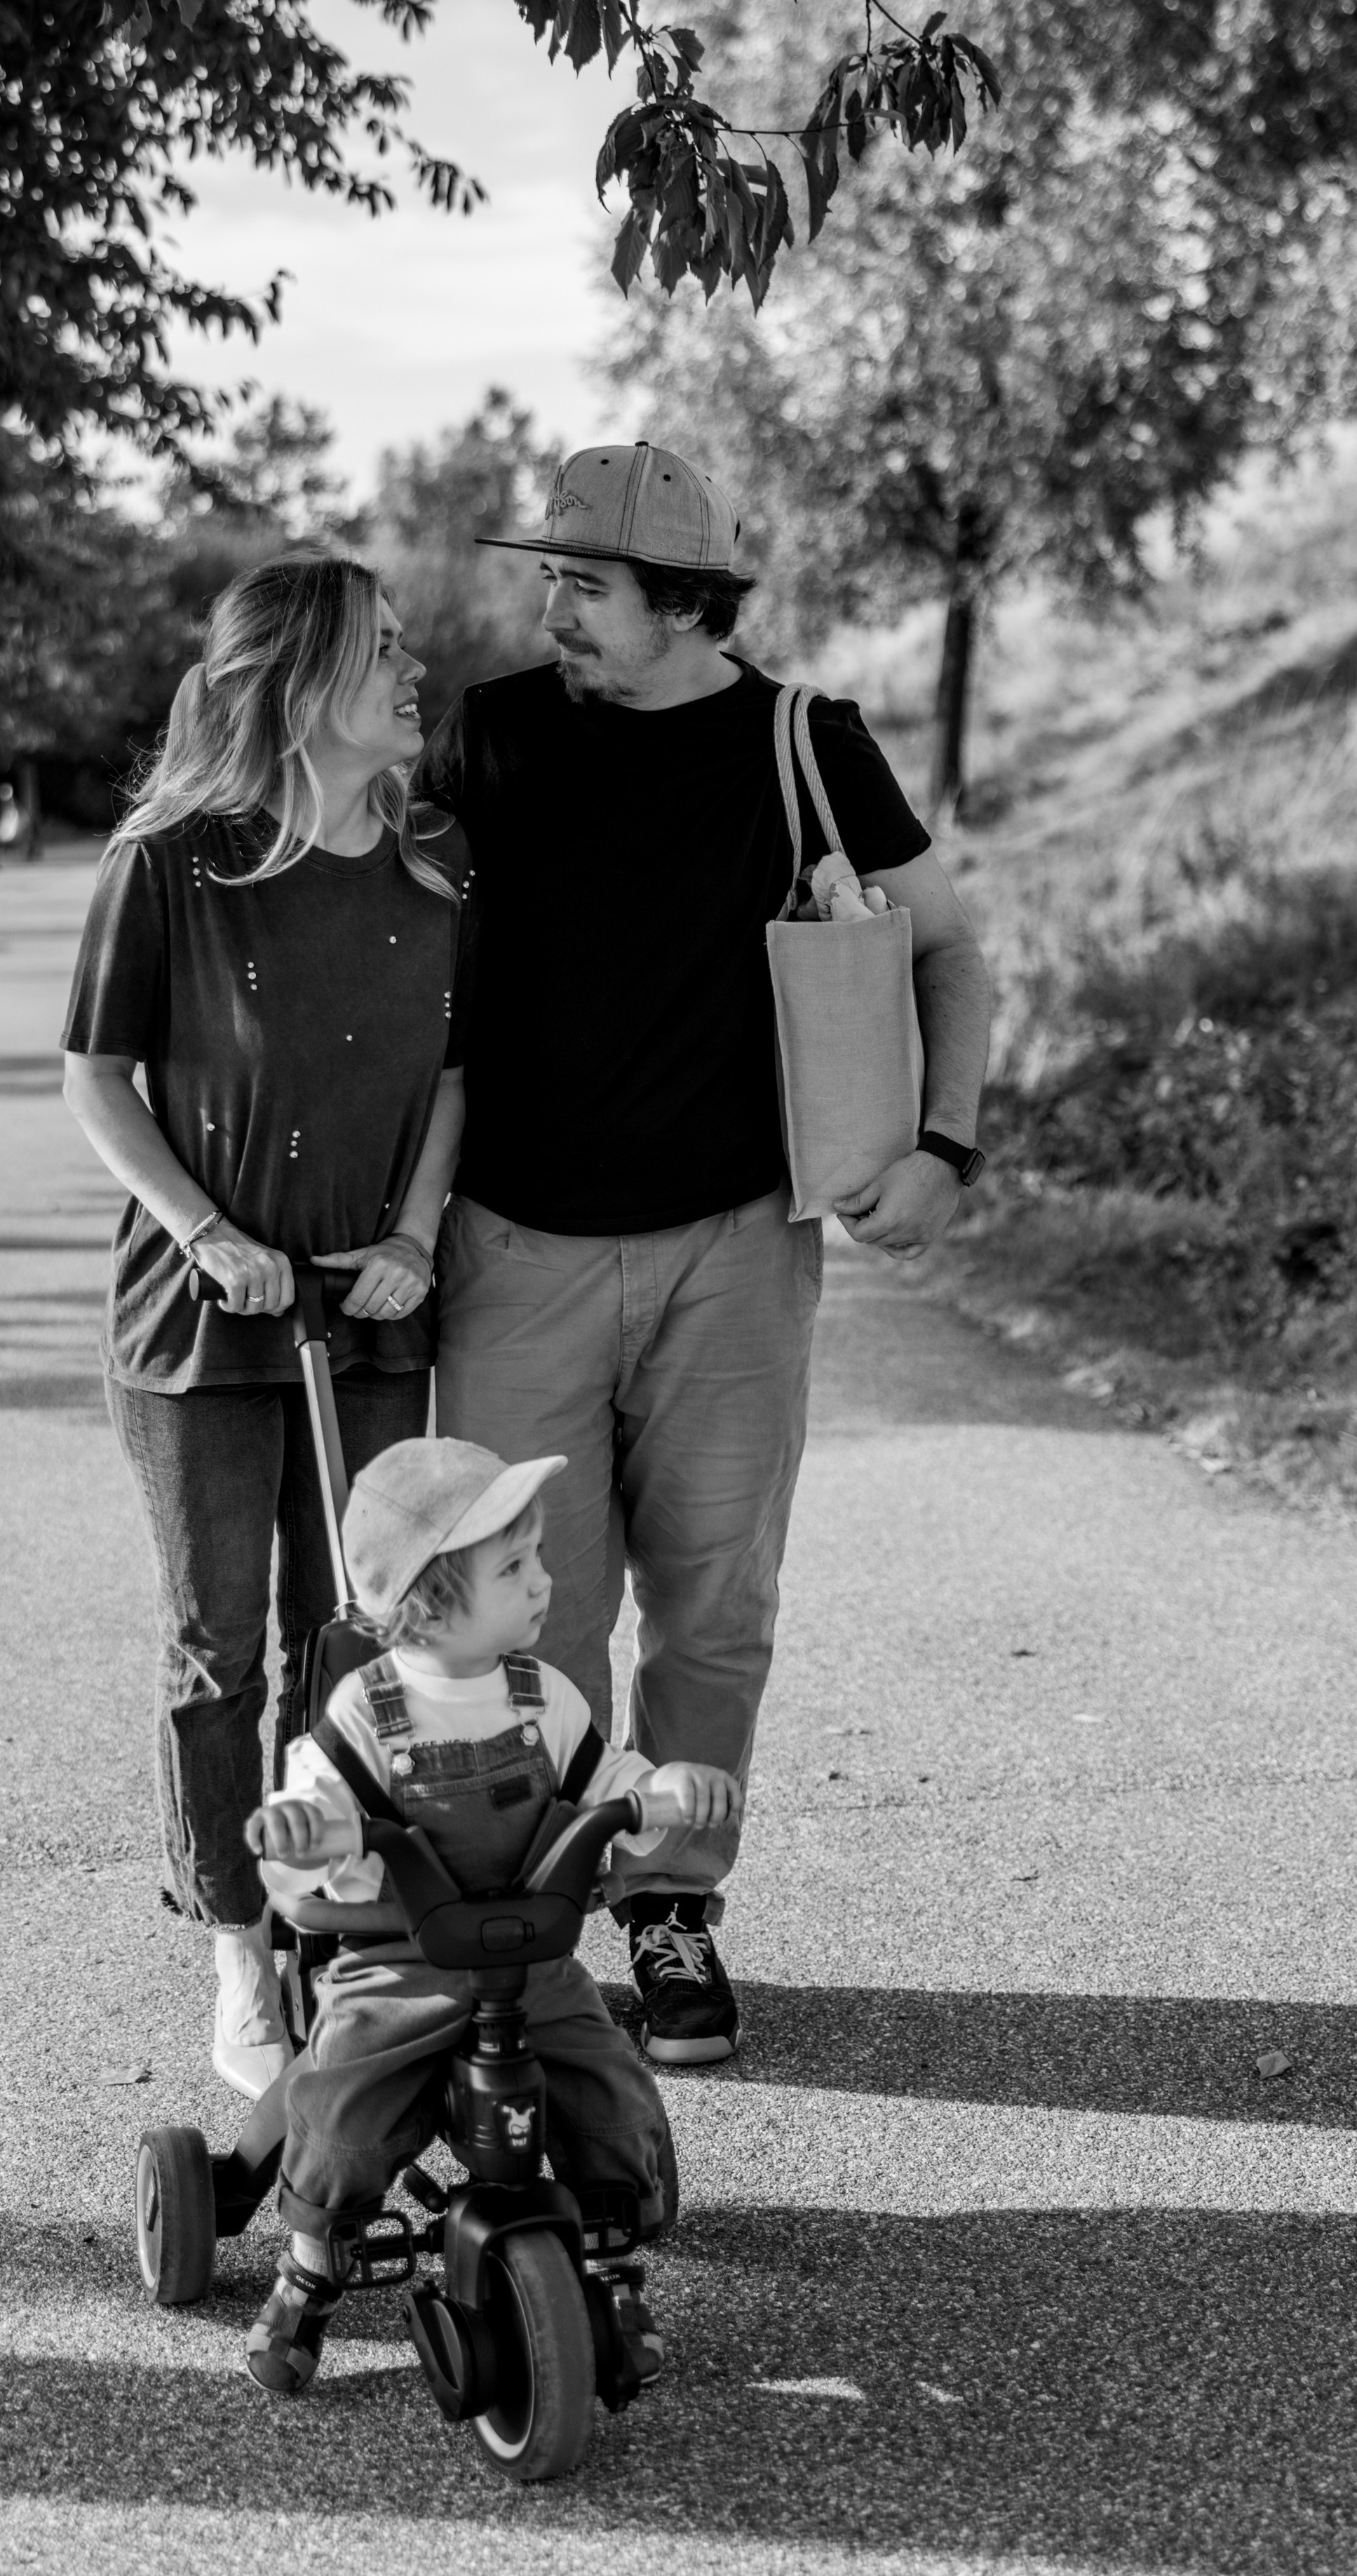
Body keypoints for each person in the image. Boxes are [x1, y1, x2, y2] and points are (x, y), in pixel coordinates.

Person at [417, 440, 993, 2068]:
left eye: (582, 586)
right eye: (549, 581)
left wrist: (943, 1144)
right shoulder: (488, 731)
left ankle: (669, 1906)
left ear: (681, 601)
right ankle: (521, 1938)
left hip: (737, 1253)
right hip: (511, 1249)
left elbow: (945, 945)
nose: (552, 613)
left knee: (712, 1605)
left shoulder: (803, 742)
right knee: (526, 1620)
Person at [60, 553, 479, 2097]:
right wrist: (208, 1231)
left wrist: (418, 1235)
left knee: (351, 1627)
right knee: (215, 1635)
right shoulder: (172, 858)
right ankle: (238, 1935)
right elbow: (98, 1078)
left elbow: (450, 1077)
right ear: (298, 682)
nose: (410, 669)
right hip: (204, 1314)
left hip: (368, 1302)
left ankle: (330, 1905)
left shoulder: (437, 861)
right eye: (380, 650)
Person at [243, 1435, 738, 2395]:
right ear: (427, 1598)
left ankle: (610, 2264)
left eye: (538, 1556)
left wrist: (663, 1788)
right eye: (513, 1566)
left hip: (533, 1964)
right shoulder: (366, 1711)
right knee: (340, 2117)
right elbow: (323, 1807)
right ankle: (306, 2270)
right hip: (398, 1968)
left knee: (611, 2096)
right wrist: (309, 1828)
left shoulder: (539, 1695)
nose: (543, 1582)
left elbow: (609, 1783)